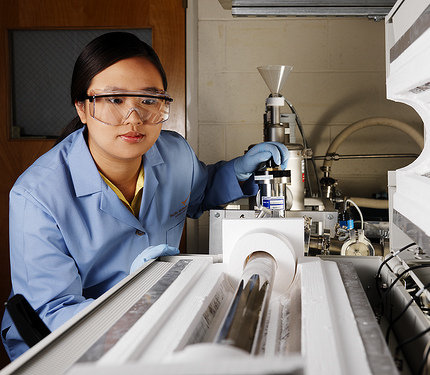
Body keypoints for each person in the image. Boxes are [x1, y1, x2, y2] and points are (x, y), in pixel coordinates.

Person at [1, 32, 288, 361]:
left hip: (154, 316)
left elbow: (200, 190)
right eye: (115, 100)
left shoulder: (175, 152)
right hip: (66, 345)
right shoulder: (36, 196)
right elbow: (52, 312)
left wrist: (238, 170)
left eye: (149, 100)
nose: (134, 118)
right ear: (82, 107)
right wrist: (129, 306)